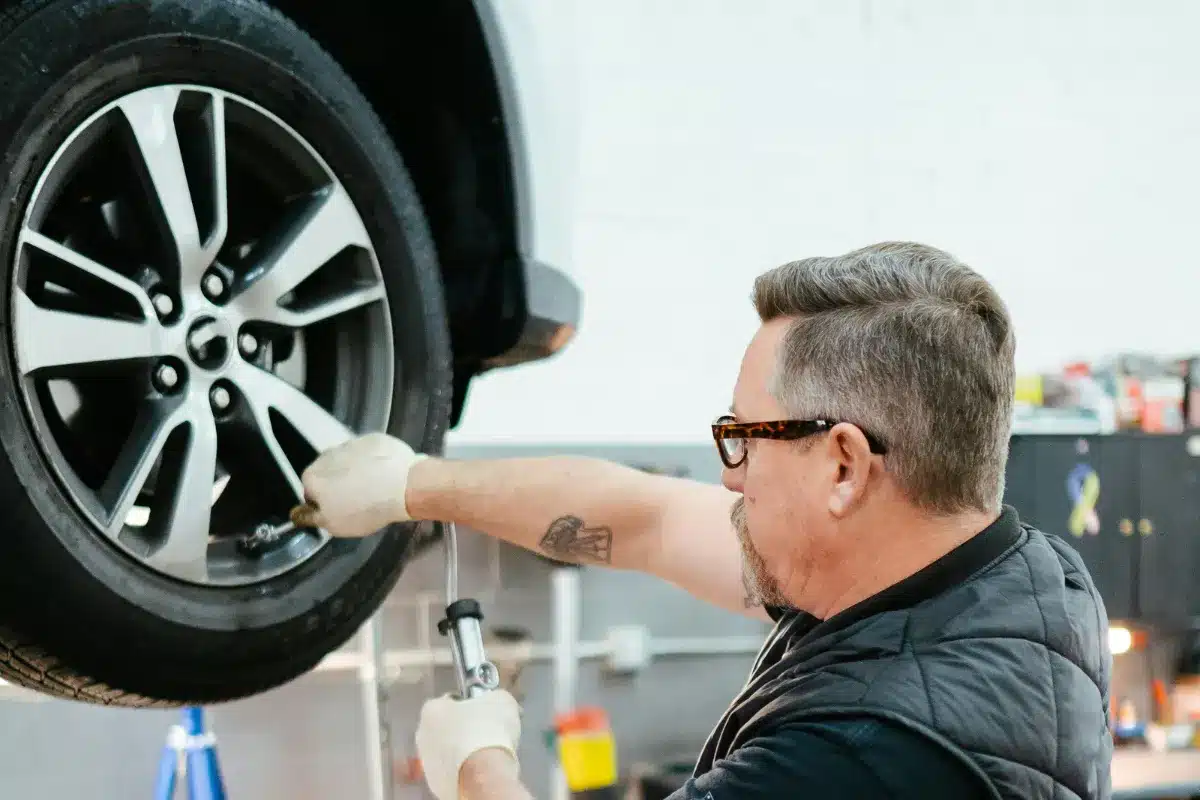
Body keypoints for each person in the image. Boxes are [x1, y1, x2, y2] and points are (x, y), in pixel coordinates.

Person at [300, 242, 1113, 800]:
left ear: (843, 466)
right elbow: (649, 518)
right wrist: (417, 484)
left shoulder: (854, 756)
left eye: (744, 437)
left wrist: (477, 767)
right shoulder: (1019, 580)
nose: (728, 474)